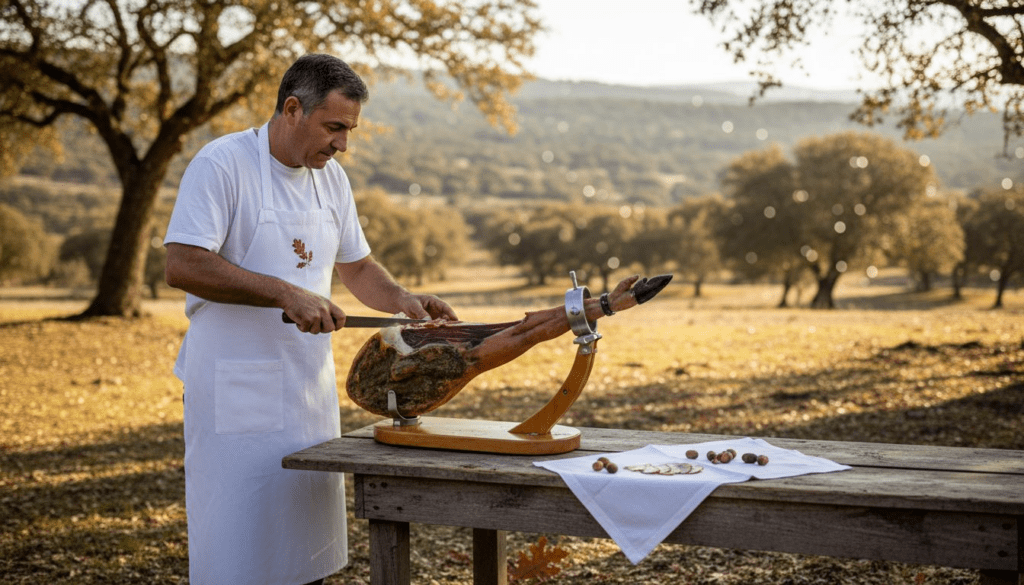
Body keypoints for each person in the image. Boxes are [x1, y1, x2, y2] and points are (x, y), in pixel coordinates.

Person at [163, 54, 457, 585]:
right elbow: (182, 263)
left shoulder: (332, 179)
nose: (343, 143)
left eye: (350, 130)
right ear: (293, 108)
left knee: (308, 554)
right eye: (335, 127)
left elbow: (358, 266)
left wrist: (404, 301)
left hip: (307, 393)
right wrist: (284, 294)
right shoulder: (222, 164)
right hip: (235, 394)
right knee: (240, 553)